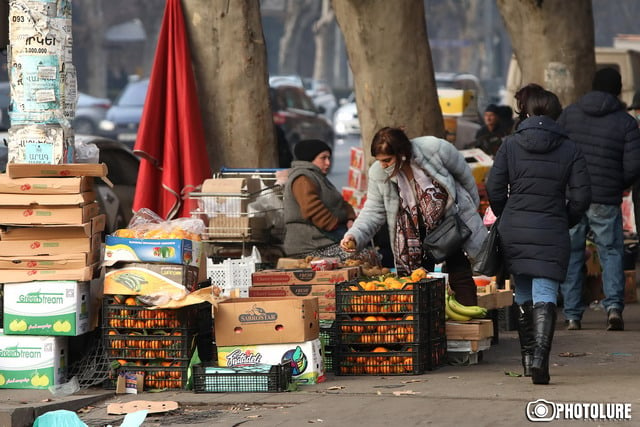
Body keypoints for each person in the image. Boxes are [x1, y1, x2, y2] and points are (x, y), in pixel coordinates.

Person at [486, 88, 591, 384]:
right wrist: (564, 218)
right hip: (552, 225)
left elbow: (495, 187)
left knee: (523, 289)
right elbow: (582, 197)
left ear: (525, 111)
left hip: (515, 225)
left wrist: (507, 214)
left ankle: (527, 358)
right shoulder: (571, 148)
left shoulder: (510, 145)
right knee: (546, 291)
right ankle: (541, 361)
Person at [339, 127, 486, 306]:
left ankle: (468, 322)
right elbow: (372, 211)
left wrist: (469, 209)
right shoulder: (378, 173)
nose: (383, 165)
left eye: (387, 160)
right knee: (417, 284)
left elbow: (466, 178)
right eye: (379, 161)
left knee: (460, 271)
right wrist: (354, 235)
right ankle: (428, 327)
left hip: (448, 223)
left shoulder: (435, 149)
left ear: (401, 153)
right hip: (412, 237)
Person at [558, 68, 640, 332]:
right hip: (605, 197)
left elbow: (557, 152)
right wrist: (618, 185)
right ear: (617, 90)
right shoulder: (626, 122)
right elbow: (633, 164)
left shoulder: (569, 114)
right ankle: (614, 308)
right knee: (611, 252)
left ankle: (572, 314)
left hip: (573, 195)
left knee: (571, 254)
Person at [283, 139, 356, 260]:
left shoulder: (318, 177)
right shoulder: (302, 178)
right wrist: (338, 228)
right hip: (310, 246)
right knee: (362, 255)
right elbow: (313, 209)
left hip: (326, 240)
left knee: (367, 250)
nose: (328, 163)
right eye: (323, 158)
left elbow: (340, 202)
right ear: (310, 158)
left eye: (329, 158)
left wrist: (349, 218)